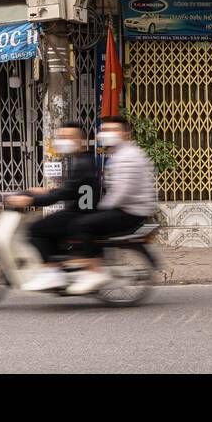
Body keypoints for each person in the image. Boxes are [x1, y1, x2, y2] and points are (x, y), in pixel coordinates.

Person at [64, 115, 158, 295]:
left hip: (130, 212)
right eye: (105, 130)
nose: (107, 134)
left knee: (80, 224)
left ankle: (93, 272)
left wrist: (101, 209)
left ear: (126, 134)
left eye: (113, 130)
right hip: (127, 208)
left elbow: (121, 192)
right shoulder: (120, 153)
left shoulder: (128, 157)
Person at [6, 122, 99, 292]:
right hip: (80, 210)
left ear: (81, 141)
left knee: (36, 229)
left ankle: (51, 270)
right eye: (62, 137)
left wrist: (31, 201)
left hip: (80, 214)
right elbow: (72, 189)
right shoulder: (83, 159)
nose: (64, 140)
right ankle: (61, 266)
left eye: (69, 137)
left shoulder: (82, 164)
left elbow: (64, 194)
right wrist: (45, 190)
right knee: (50, 227)